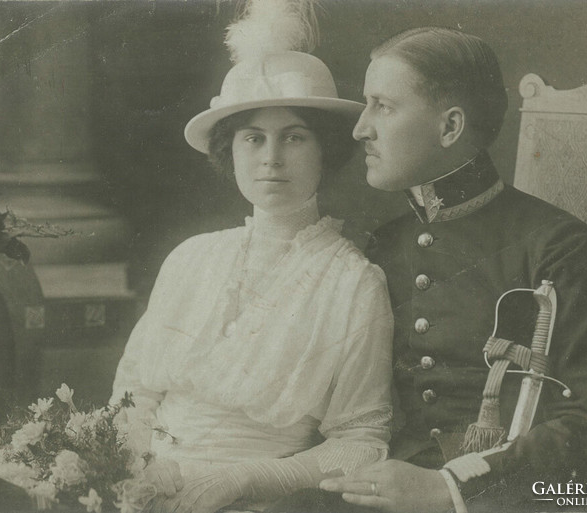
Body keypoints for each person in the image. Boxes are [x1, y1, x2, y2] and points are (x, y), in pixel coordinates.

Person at [319, 27, 587, 513]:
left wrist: (450, 489)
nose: (361, 128)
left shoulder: (557, 246)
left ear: (450, 128)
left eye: (383, 105)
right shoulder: (384, 244)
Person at [110, 4, 393, 513]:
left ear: (325, 150)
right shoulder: (191, 258)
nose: (271, 158)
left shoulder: (353, 283)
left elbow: (361, 442)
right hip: (139, 489)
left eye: (294, 137)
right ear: (231, 151)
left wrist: (245, 481)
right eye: (253, 138)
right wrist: (131, 473)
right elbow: (133, 396)